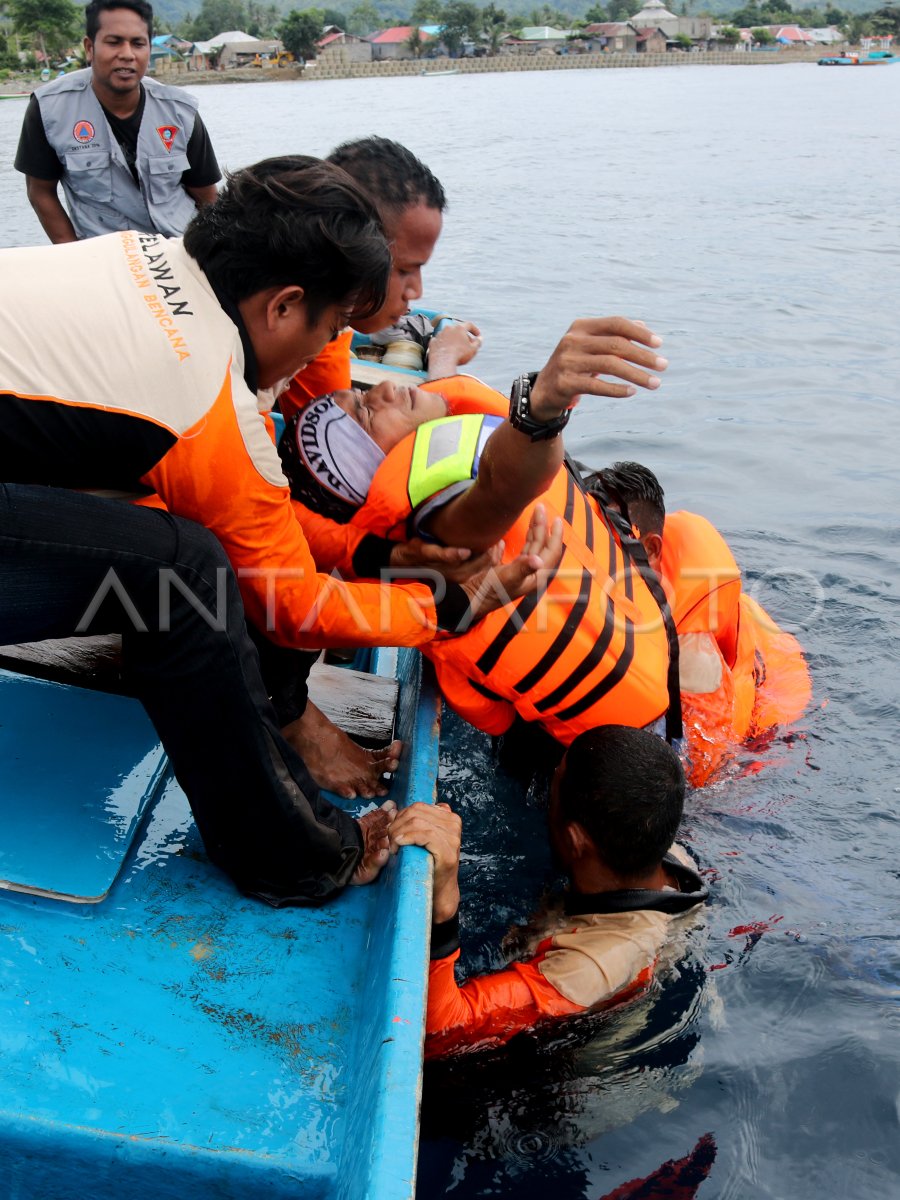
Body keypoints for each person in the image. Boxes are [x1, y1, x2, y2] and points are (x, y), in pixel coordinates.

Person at [0, 155, 556, 906]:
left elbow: (257, 516)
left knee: (173, 533)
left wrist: (371, 554)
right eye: (330, 329)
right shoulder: (201, 395)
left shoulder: (144, 257)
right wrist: (449, 606)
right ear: (284, 306)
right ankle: (296, 856)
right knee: (184, 576)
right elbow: (288, 602)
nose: (324, 355)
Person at [279, 324, 679, 748]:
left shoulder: (421, 471)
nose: (382, 391)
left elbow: (433, 426)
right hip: (603, 741)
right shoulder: (439, 533)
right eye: (365, 415)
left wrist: (443, 357)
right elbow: (498, 487)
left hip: (640, 685)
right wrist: (540, 409)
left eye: (361, 396)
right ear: (373, 470)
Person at [388, 726, 709, 1057]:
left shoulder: (586, 970)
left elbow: (433, 1031)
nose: (544, 799)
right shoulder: (661, 850)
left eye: (551, 794)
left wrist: (444, 906)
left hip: (584, 1082)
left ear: (574, 840)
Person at [591, 461, 812, 785]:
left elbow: (698, 777)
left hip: (761, 721)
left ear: (651, 549)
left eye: (606, 544)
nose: (594, 556)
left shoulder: (694, 654)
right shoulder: (617, 582)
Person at [14, 0, 220, 243]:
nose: (127, 54)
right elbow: (40, 192)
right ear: (90, 48)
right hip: (104, 253)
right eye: (114, 42)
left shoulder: (180, 111)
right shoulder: (49, 109)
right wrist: (74, 256)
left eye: (138, 43)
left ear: (148, 50)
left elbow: (207, 197)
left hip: (179, 248)